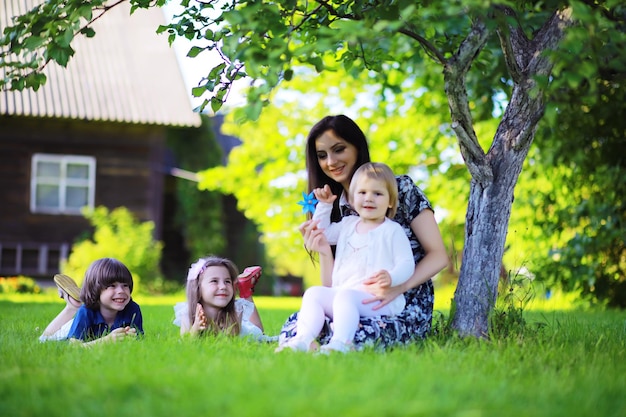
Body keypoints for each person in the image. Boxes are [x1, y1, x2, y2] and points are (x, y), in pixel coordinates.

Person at [278, 114, 448, 351]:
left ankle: (336, 344)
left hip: (401, 299)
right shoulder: (338, 209)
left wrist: (396, 287)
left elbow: (439, 255)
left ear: (357, 147)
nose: (331, 161)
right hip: (352, 297)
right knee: (300, 321)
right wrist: (325, 251)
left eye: (339, 150)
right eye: (322, 155)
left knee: (358, 332)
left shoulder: (399, 189)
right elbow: (334, 283)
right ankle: (307, 343)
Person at [278, 162, 415, 353]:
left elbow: (407, 263)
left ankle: (342, 343)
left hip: (378, 299)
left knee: (345, 297)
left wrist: (392, 277)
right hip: (345, 295)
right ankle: (303, 340)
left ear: (391, 201)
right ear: (352, 198)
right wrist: (325, 205)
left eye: (378, 194)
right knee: (313, 294)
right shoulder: (348, 225)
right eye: (362, 193)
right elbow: (322, 232)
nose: (369, 198)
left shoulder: (392, 230)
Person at [173, 256, 275, 341]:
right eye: (214, 281)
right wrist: (195, 329)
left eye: (227, 281)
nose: (223, 286)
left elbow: (231, 341)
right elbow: (185, 342)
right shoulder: (187, 313)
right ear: (197, 287)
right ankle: (245, 288)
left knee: (260, 335)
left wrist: (224, 329)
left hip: (245, 334)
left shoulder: (235, 311)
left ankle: (245, 291)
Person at [64, 257, 143, 344]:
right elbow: (74, 347)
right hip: (68, 329)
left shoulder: (133, 310)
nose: (121, 291)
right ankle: (71, 306)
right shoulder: (85, 312)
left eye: (125, 285)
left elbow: (139, 341)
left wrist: (132, 338)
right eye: (112, 285)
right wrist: (106, 341)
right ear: (95, 289)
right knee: (48, 337)